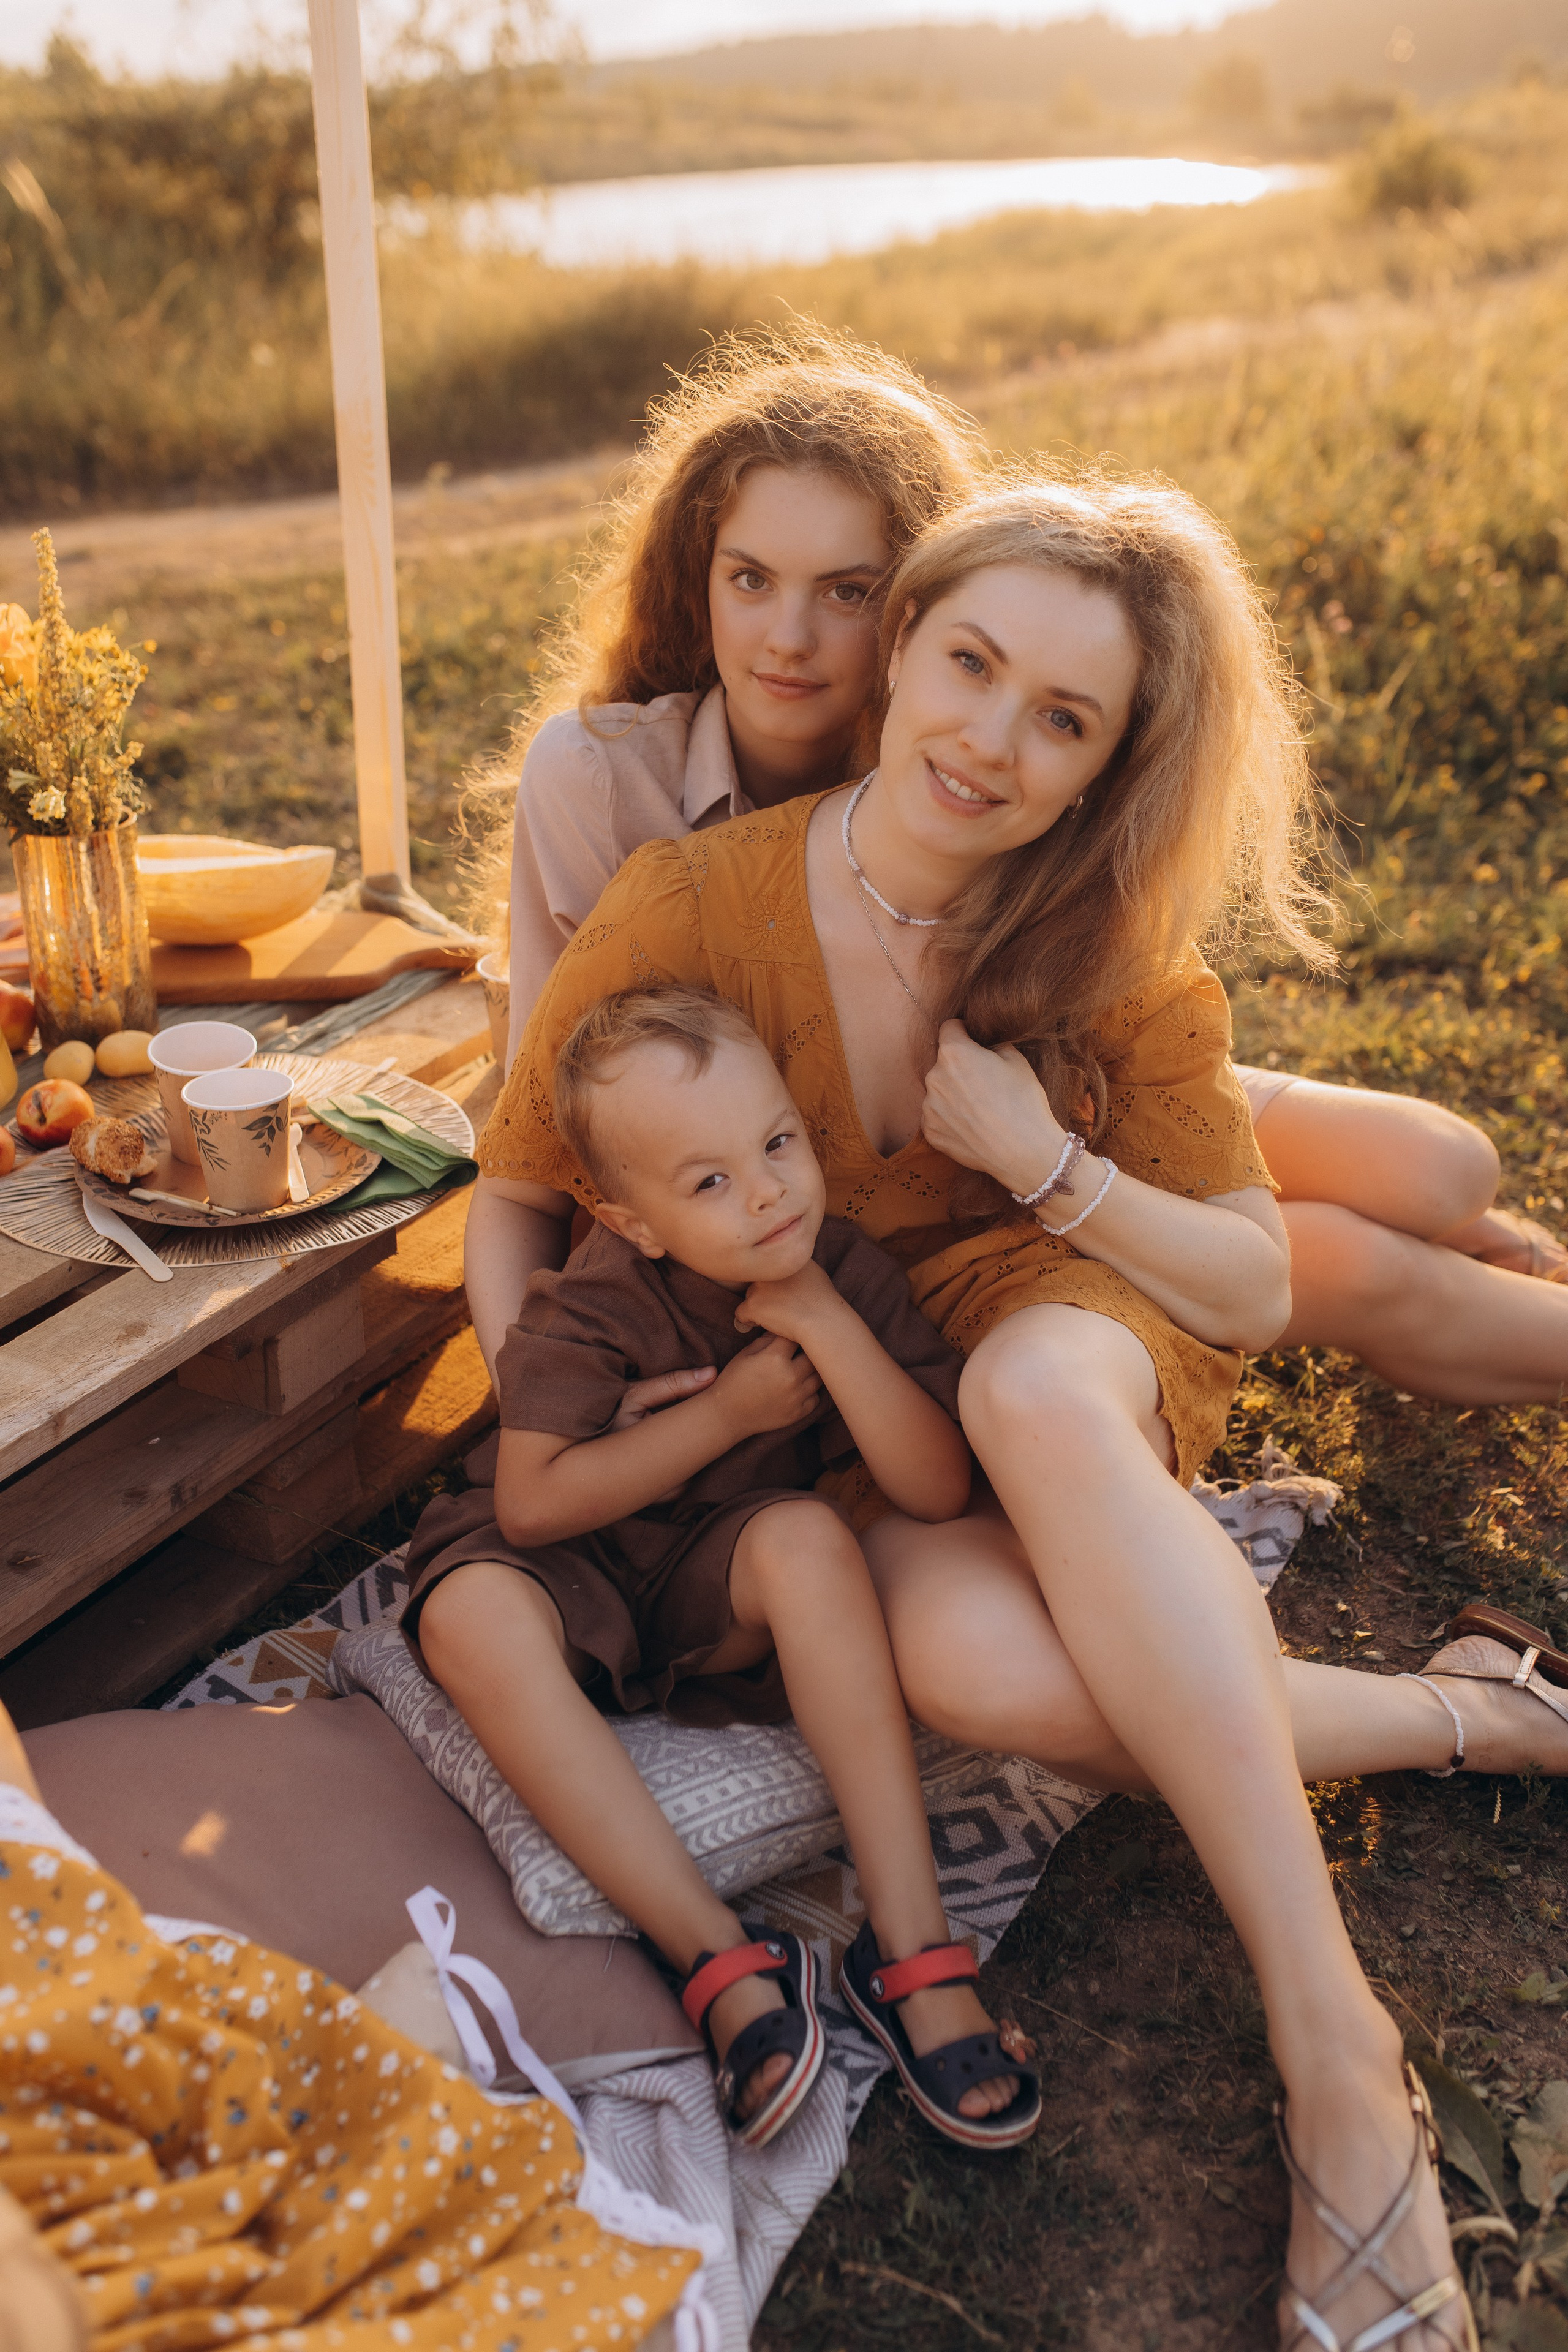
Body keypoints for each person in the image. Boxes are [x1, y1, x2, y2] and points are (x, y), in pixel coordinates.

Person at [465, 470, 1567, 2347]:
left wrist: (1046, 1164)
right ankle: (1481, 1711)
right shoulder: (691, 905)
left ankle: (1339, 2062)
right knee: (994, 1686)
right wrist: (549, 1448)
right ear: (903, 652)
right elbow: (525, 1171)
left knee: (1051, 1386)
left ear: (1103, 761)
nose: (991, 739)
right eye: (969, 665)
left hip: (1049, 1317)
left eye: (1062, 718)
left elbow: (1248, 1284)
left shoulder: (1106, 947)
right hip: (844, 1417)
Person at [463, 328, 1568, 1415]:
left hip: (1033, 1094)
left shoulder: (958, 749)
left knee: (1442, 1167)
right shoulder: (606, 776)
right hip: (829, 1176)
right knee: (1352, 1269)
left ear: (914, 611)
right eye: (750, 577)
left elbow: (1096, 991)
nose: (788, 638)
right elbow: (558, 1100)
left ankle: (1384, 1236)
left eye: (847, 592)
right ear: (697, 577)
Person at [410, 984, 1041, 2154]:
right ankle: (720, 1965)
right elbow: (533, 1502)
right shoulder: (595, 1296)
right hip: (567, 1568)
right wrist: (726, 1414)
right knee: (463, 1615)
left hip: (712, 1572)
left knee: (810, 1539)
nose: (765, 1194)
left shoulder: (839, 1270)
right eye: (708, 1182)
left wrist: (829, 1327)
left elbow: (936, 1488)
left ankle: (906, 1947)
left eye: (778, 1146)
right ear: (634, 1219)